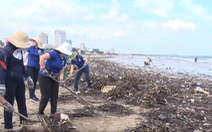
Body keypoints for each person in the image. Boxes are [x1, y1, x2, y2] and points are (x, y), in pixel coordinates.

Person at [0, 31, 34, 131]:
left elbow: (22, 66)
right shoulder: (5, 51)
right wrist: (1, 84)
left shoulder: (19, 51)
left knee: (22, 102)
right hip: (9, 81)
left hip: (19, 81)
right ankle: (9, 127)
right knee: (9, 104)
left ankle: (25, 123)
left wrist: (28, 77)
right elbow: (2, 68)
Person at [38, 42, 72, 116]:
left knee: (54, 96)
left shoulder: (63, 59)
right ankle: (40, 112)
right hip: (45, 76)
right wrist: (43, 68)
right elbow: (42, 58)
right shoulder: (54, 53)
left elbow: (61, 70)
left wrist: (61, 79)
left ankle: (53, 112)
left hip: (54, 78)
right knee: (46, 95)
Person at [23, 37, 44, 103]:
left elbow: (42, 58)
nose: (33, 42)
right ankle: (31, 96)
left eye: (34, 41)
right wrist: (22, 63)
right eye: (32, 41)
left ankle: (33, 95)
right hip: (30, 66)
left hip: (37, 67)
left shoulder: (41, 50)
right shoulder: (29, 48)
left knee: (35, 80)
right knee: (31, 80)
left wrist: (43, 66)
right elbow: (25, 56)